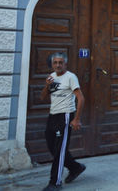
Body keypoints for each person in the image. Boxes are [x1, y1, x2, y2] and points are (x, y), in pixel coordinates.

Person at [41, 52, 86, 190]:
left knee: (60, 149)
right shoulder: (51, 77)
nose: (58, 65)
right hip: (52, 115)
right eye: (55, 63)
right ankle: (75, 167)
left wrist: (76, 119)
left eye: (60, 62)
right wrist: (46, 85)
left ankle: (55, 182)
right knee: (52, 147)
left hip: (65, 116)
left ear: (65, 64)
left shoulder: (71, 77)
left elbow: (81, 98)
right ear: (52, 64)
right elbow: (43, 97)